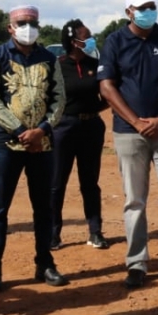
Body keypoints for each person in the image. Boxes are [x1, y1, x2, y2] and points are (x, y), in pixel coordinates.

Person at [0, 5, 68, 292]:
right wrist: (20, 132)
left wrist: (41, 130)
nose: (27, 27)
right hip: (7, 145)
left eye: (32, 22)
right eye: (21, 22)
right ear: (10, 27)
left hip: (41, 144)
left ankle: (44, 262)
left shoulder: (48, 58)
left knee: (43, 207)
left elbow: (59, 99)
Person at [99, 0, 158, 288]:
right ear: (129, 12)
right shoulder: (115, 41)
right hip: (129, 133)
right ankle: (137, 263)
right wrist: (136, 122)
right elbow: (107, 86)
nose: (148, 11)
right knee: (134, 200)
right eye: (142, 7)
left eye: (152, 6)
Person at [50, 19, 109, 250]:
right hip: (63, 129)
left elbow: (107, 94)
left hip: (91, 128)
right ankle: (53, 234)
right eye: (87, 36)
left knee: (90, 182)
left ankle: (95, 232)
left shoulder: (96, 64)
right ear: (75, 42)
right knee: (56, 183)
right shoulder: (56, 66)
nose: (91, 39)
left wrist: (95, 110)